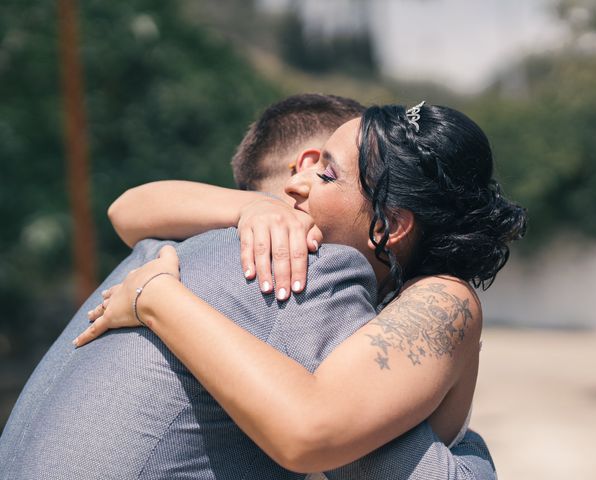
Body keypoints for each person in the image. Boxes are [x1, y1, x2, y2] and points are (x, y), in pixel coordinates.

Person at [0, 95, 498, 479]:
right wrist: (159, 299)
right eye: (315, 166)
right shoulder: (309, 268)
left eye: (325, 172)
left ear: (391, 226)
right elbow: (336, 444)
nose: (299, 182)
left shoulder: (185, 245)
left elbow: (127, 211)